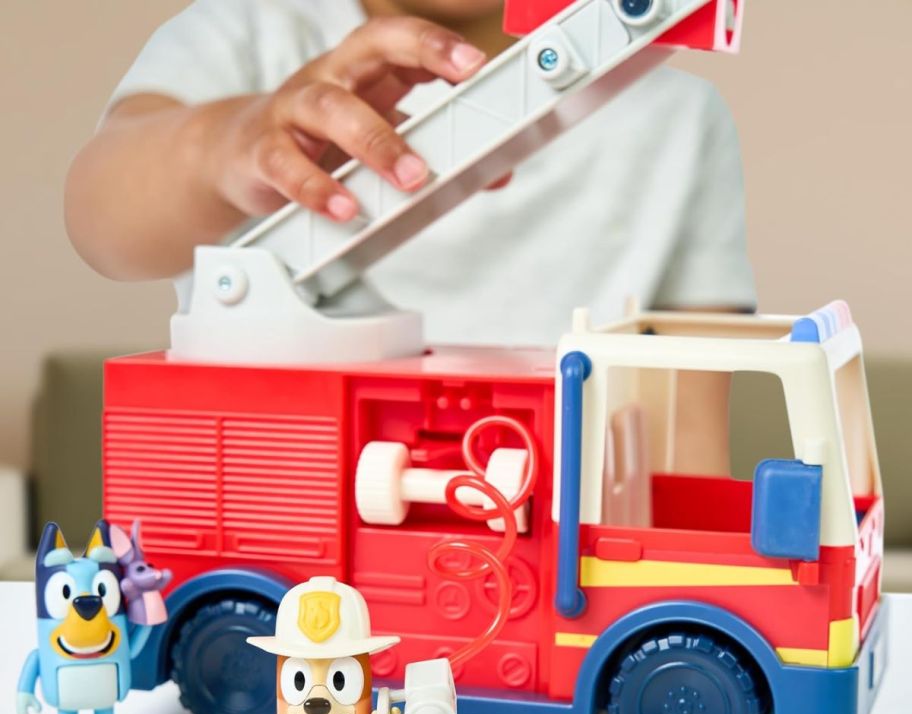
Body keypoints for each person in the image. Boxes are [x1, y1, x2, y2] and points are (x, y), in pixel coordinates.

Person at [65, 0, 755, 468]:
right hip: (282, 483)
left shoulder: (676, 115)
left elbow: (687, 425)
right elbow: (100, 216)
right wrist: (231, 143)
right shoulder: (249, 31)